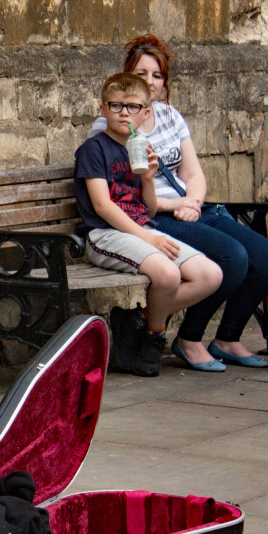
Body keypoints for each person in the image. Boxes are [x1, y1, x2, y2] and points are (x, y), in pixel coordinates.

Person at [90, 34, 268, 369]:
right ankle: (189, 339)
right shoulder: (113, 123)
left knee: (266, 257)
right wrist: (172, 207)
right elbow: (123, 195)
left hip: (189, 208)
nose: (149, 82)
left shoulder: (169, 116)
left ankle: (228, 338)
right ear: (126, 77)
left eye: (157, 75)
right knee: (232, 257)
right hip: (154, 216)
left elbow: (193, 172)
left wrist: (193, 202)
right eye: (142, 73)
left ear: (165, 83)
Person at [75, 73, 223, 376]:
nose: (124, 113)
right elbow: (103, 206)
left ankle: (136, 321)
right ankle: (154, 338)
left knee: (210, 275)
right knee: (167, 275)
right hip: (105, 234)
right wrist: (149, 238)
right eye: (115, 105)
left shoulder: (139, 147)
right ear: (102, 109)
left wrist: (147, 179)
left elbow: (149, 208)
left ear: (145, 113)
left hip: (142, 229)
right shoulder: (95, 149)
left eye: (133, 107)